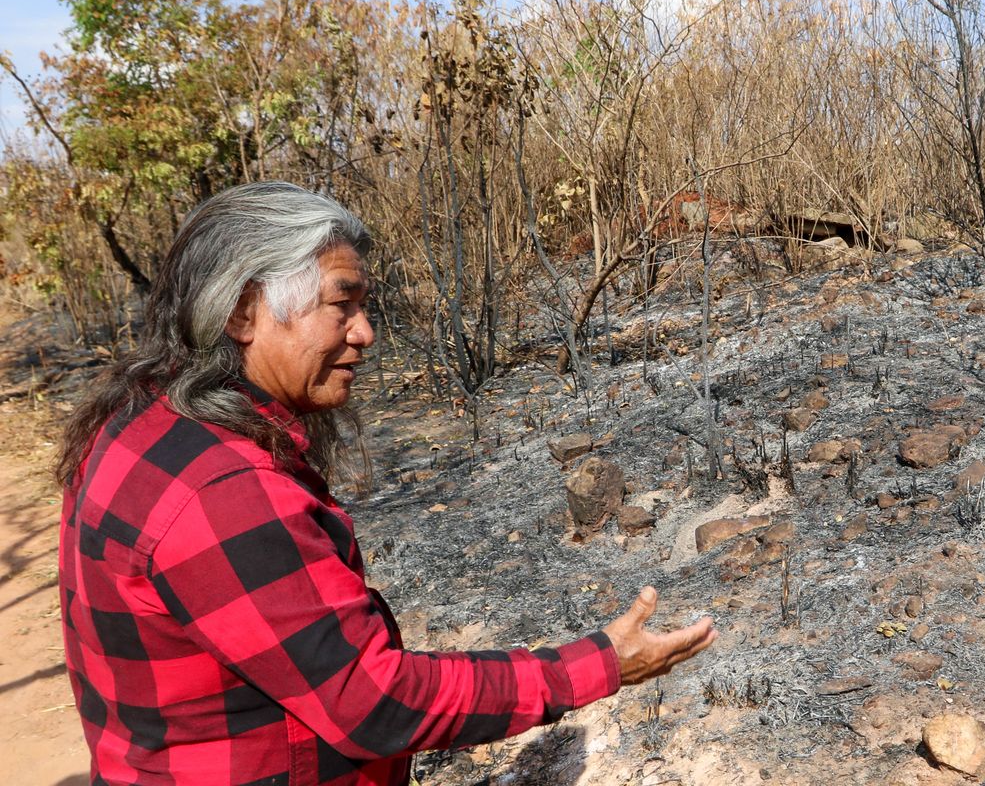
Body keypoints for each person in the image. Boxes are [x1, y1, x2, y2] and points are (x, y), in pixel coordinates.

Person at [54, 181, 716, 785]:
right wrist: (593, 666)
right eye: (342, 304)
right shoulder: (222, 489)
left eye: (364, 306)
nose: (365, 333)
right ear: (244, 311)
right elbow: (372, 702)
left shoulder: (141, 416)